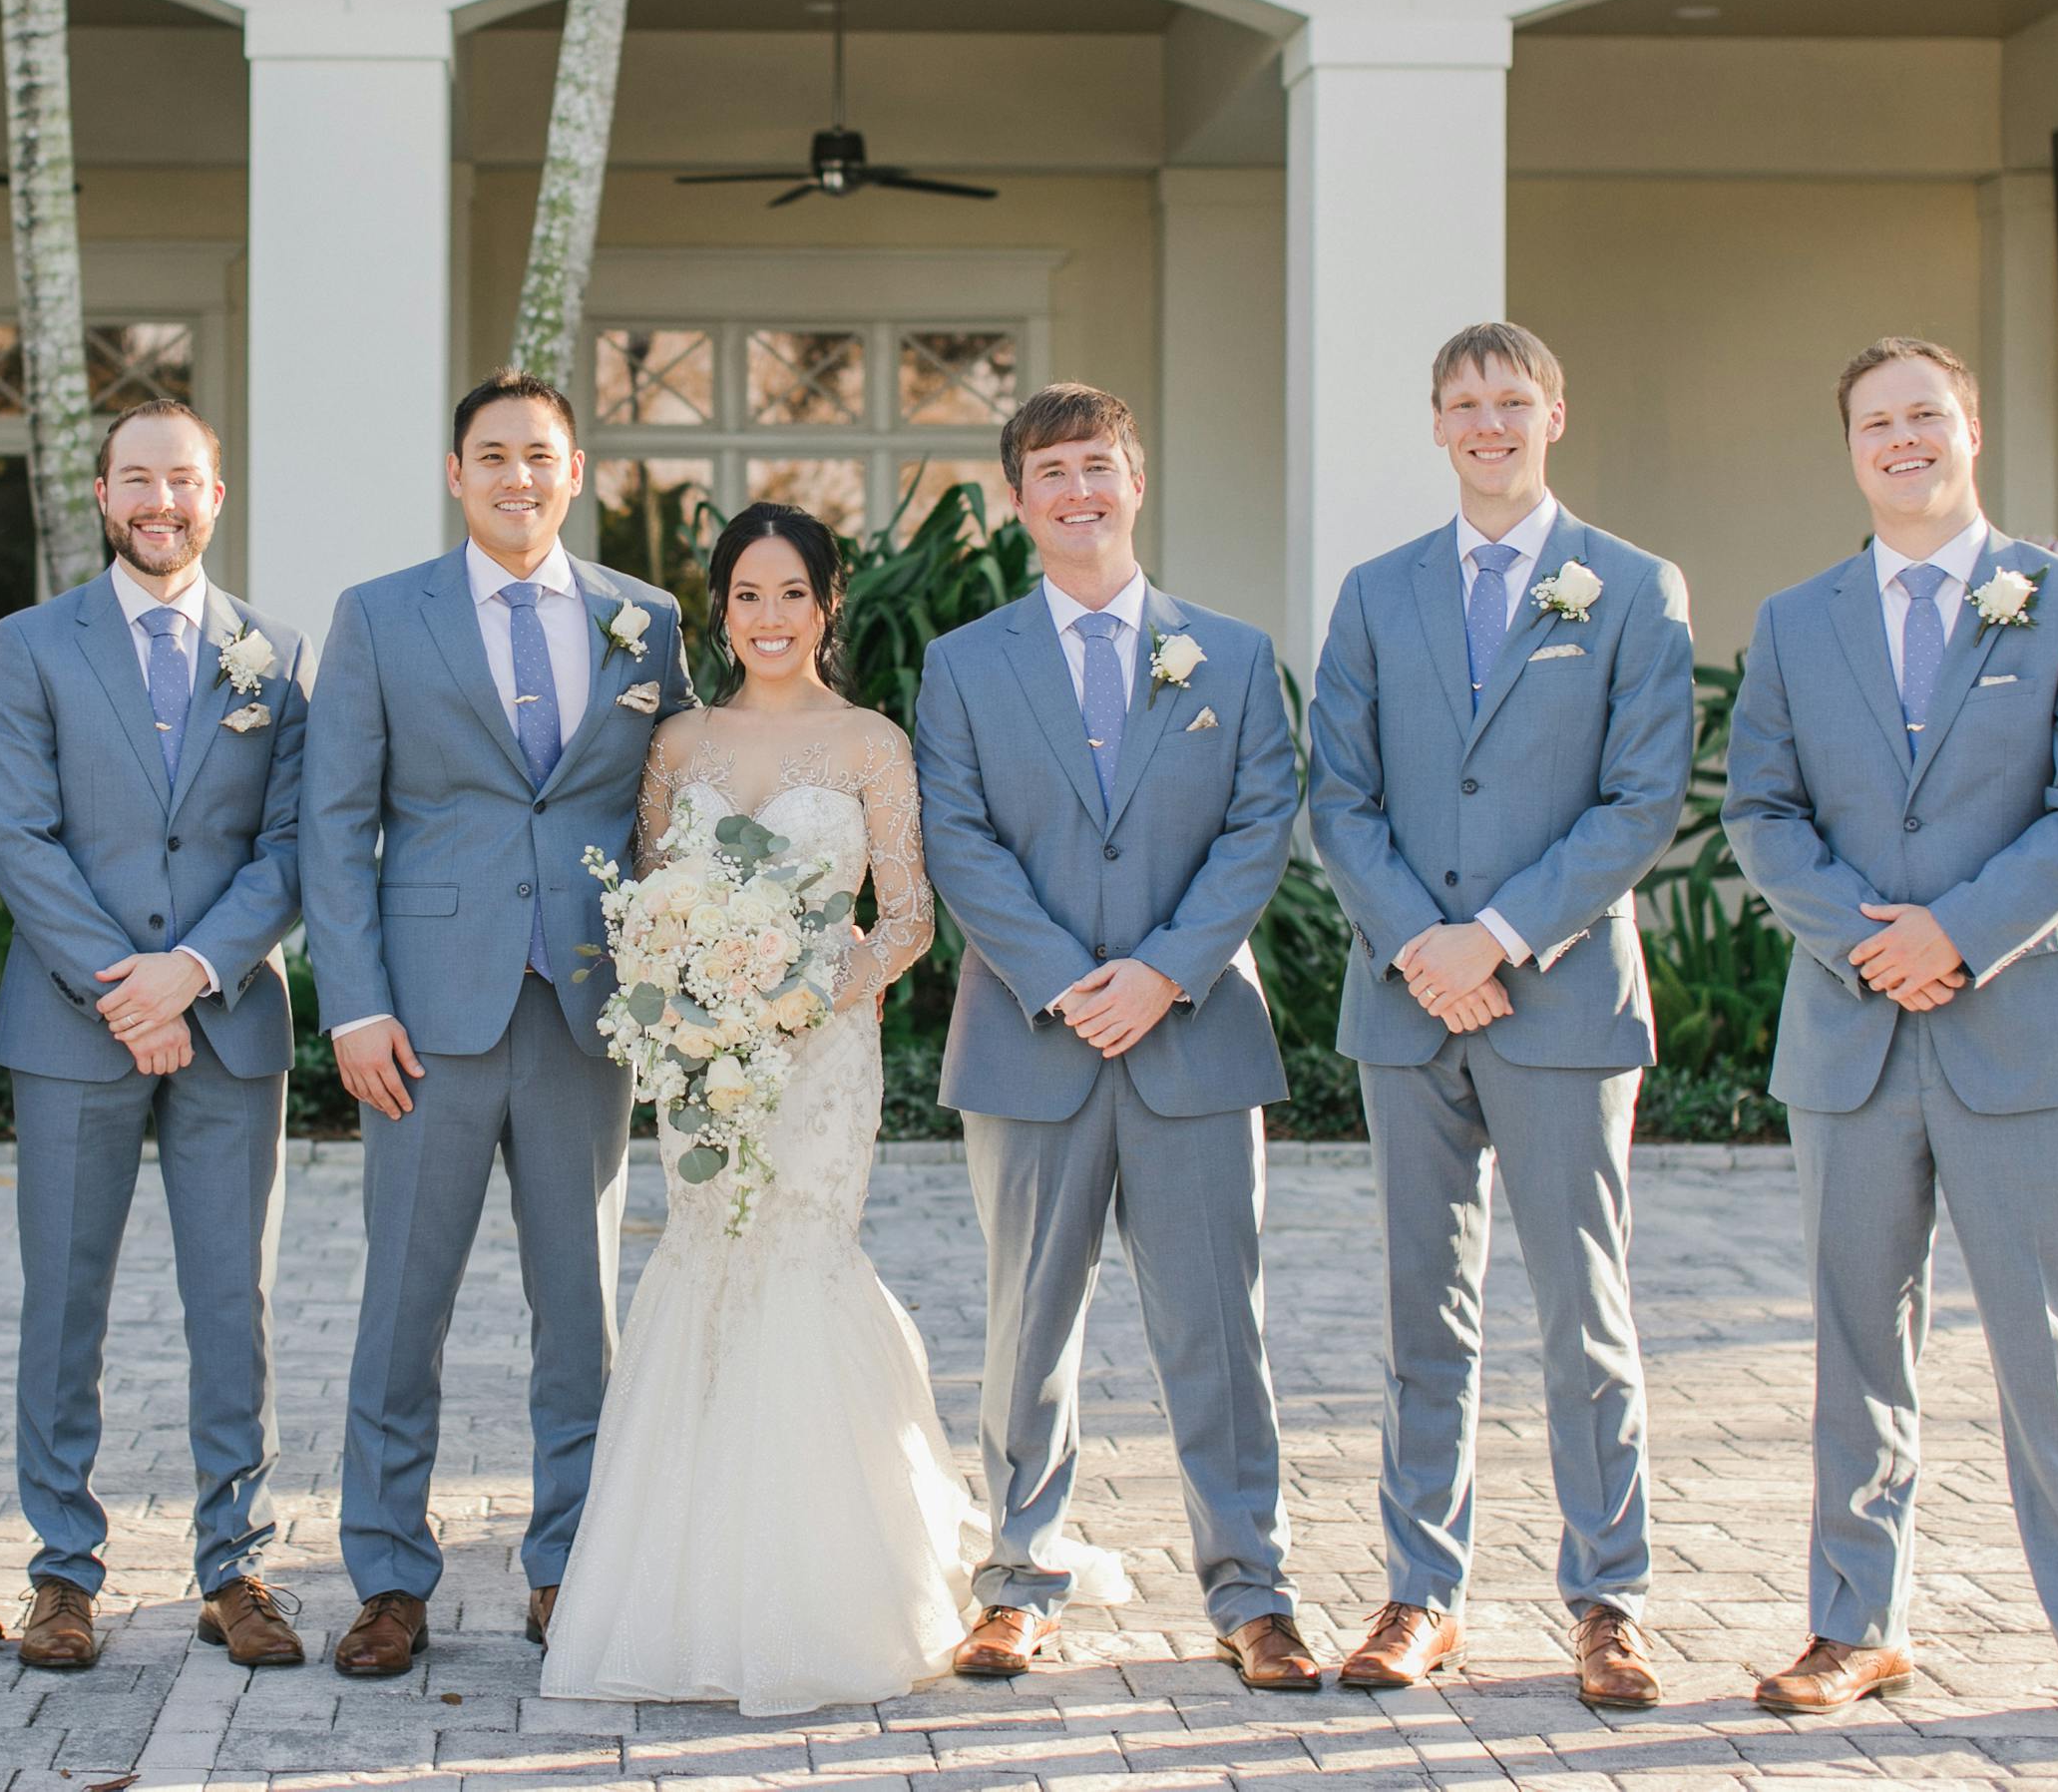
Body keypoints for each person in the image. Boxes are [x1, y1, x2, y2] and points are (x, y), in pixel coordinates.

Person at [1722, 337, 2058, 1747]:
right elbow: (1761, 812)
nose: (1902, 437)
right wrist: (1873, 938)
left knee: (2054, 1348)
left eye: (1926, 413)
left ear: (1970, 428)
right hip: (1852, 1029)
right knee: (1858, 1345)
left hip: (2025, 1027)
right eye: (1875, 419)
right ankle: (1857, 1622)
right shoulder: (1798, 621)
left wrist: (1956, 933)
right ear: (1849, 443)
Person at [1305, 322, 1692, 1706]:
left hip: (1563, 995)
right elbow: (1336, 792)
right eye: (1464, 401)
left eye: (1511, 398)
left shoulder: (1634, 588)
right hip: (1410, 1005)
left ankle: (1610, 1598)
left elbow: (1643, 796)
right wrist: (1424, 943)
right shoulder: (1375, 592)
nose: (1488, 420)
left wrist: (1501, 936)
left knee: (1586, 1310)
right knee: (1425, 1311)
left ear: (1554, 413)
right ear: (1435, 423)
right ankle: (1421, 1590)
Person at [912, 382, 1316, 1692]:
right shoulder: (965, 662)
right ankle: (1018, 1580)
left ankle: (1252, 1586)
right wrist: (1066, 977)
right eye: (1051, 472)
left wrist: (1162, 972)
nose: (1078, 492)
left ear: (1134, 482)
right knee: (1028, 1323)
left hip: (1192, 1037)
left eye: (1099, 466)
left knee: (1216, 1324)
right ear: (1020, 499)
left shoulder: (1236, 657)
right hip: (1033, 1039)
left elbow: (1261, 824)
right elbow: (956, 835)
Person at [542, 503, 975, 1715]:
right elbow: (648, 899)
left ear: (826, 604)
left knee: (797, 1257)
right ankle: (678, 1585)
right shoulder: (678, 745)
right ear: (719, 605)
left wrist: (796, 996)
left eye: (792, 593)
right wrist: (698, 986)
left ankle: (824, 1581)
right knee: (708, 1261)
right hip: (698, 1060)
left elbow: (905, 919)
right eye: (746, 593)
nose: (768, 616)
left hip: (822, 1054)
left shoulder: (871, 743)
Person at [299, 370, 695, 1677]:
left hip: (586, 1012)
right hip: (423, 1016)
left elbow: (680, 811)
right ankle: (390, 1575)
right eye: (492, 454)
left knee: (579, 1311)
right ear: (455, 472)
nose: (517, 475)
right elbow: (335, 824)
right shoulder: (379, 616)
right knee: (403, 1303)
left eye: (541, 454)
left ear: (574, 470)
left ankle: (566, 1561)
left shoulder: (647, 622)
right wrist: (352, 1001)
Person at [0, 398, 311, 1672]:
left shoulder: (272, 654)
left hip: (228, 1023)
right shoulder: (29, 644)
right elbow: (18, 833)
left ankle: (237, 1562)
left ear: (215, 493)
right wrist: (127, 988)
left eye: (183, 478)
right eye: (136, 478)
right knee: (65, 1302)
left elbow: (291, 847)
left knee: (236, 1304)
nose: (159, 500)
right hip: (75, 1028)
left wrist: (191, 971)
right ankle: (61, 1569)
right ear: (104, 494)